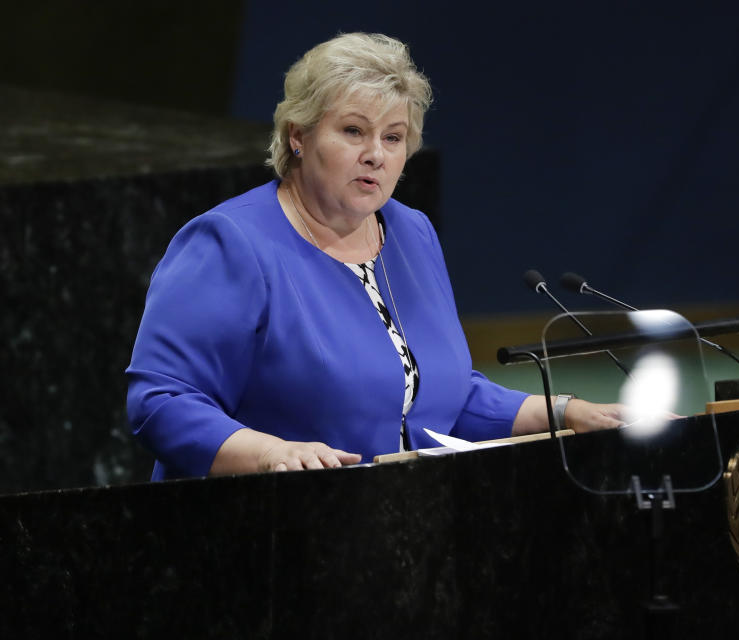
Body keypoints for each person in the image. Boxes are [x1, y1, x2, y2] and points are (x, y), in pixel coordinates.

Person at [126, 32, 622, 481]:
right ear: (298, 136)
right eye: (353, 131)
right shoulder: (230, 244)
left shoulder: (412, 233)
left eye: (393, 137)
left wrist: (562, 411)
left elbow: (434, 395)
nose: (376, 155)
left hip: (392, 527)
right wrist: (270, 454)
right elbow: (161, 403)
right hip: (260, 530)